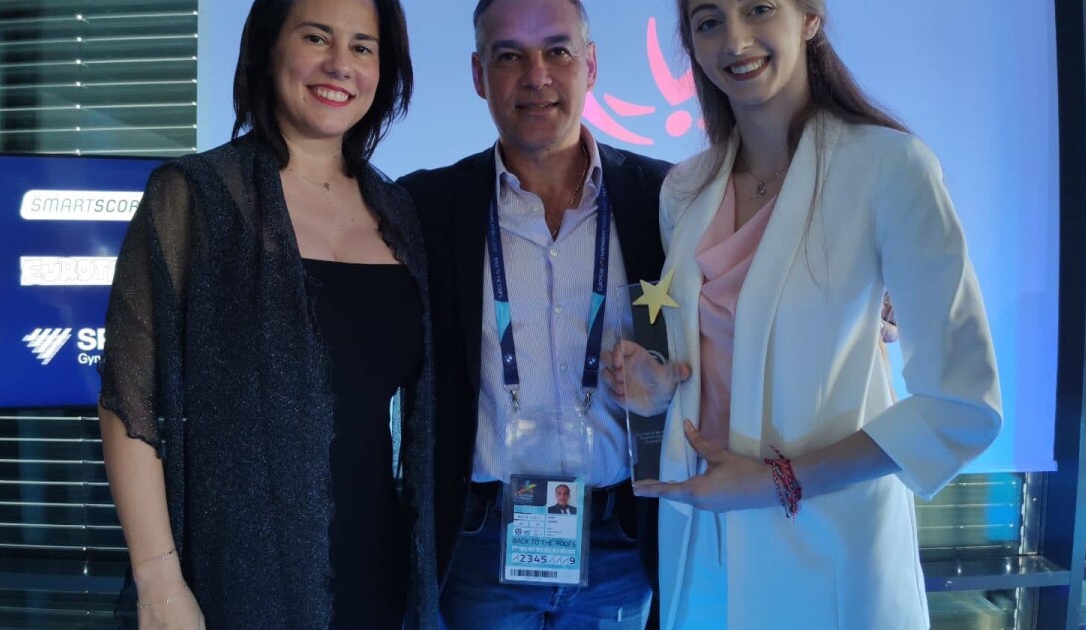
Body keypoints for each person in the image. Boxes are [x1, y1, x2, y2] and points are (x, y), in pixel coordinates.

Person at [611, 0, 1003, 628]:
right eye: (709, 21)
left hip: (828, 546)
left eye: (759, 9)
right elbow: (709, 359)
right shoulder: (684, 189)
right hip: (703, 543)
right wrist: (660, 389)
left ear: (810, 17)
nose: (735, 39)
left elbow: (962, 405)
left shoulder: (890, 168)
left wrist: (777, 481)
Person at [96, 0, 437, 627]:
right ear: (269, 47)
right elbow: (128, 402)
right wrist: (159, 585)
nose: (340, 65)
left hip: (380, 567)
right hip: (235, 574)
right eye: (317, 38)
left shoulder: (399, 212)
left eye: (363, 47)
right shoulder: (193, 196)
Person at [397, 0, 670, 627]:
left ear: (590, 65)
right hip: (480, 547)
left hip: (620, 545)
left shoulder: (664, 196)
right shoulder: (424, 205)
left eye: (558, 51)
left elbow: (738, 299)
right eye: (509, 55)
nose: (536, 75)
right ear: (478, 74)